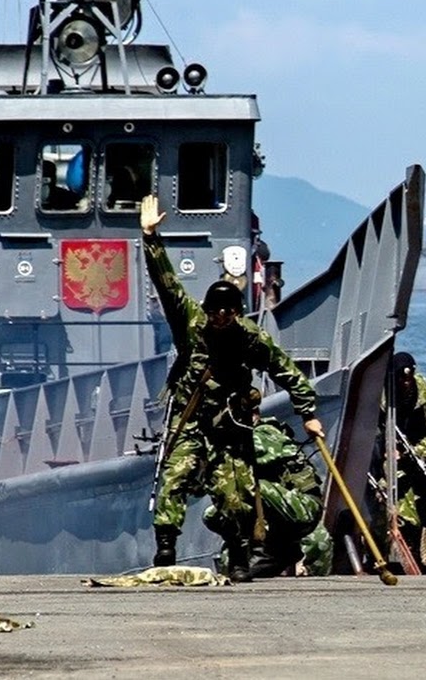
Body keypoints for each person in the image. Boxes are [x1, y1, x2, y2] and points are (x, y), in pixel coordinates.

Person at [141, 195, 324, 582]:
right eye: (215, 311)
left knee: (235, 494)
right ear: (206, 310)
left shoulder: (250, 338)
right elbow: (167, 284)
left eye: (228, 312)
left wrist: (308, 414)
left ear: (237, 313)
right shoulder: (191, 324)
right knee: (174, 478)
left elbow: (286, 370)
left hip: (231, 425)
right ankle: (165, 548)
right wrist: (150, 238)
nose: (220, 317)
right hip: (191, 417)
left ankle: (240, 556)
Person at [203, 389, 332, 578]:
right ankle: (265, 548)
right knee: (214, 513)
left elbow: (253, 454)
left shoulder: (266, 432)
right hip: (276, 508)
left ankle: (267, 550)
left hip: (303, 507)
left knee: (249, 487)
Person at [373, 352, 426, 569]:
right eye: (401, 378)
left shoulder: (423, 392)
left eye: (409, 377)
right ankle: (386, 554)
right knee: (392, 498)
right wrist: (386, 450)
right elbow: (370, 428)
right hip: (386, 459)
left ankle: (412, 549)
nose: (406, 382)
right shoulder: (381, 394)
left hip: (415, 456)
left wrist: (416, 451)